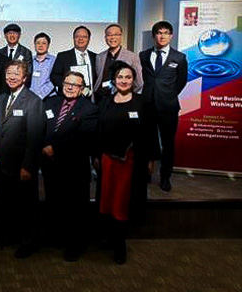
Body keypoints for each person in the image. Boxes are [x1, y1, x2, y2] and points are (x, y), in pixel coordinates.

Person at [95, 61, 153, 264]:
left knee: (122, 203)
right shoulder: (105, 101)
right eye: (120, 77)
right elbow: (98, 131)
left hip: (129, 163)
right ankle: (109, 237)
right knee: (106, 200)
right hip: (107, 161)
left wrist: (150, 160)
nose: (124, 80)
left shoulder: (143, 102)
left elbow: (149, 133)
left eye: (128, 77)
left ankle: (120, 245)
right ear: (114, 79)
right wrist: (96, 155)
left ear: (134, 80)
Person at [41, 71, 98, 261]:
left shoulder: (89, 109)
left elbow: (83, 137)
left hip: (74, 168)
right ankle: (57, 238)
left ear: (82, 89)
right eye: (67, 83)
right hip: (50, 166)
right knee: (54, 203)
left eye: (75, 85)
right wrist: (44, 146)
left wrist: (55, 148)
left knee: (76, 209)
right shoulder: (50, 103)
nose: (70, 87)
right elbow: (40, 127)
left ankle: (75, 245)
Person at [0, 60, 45, 259]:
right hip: (3, 163)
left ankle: (28, 242)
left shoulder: (33, 101)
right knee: (8, 203)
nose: (12, 77)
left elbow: (35, 137)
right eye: (9, 73)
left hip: (22, 165)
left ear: (24, 77)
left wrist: (28, 166)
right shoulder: (1, 99)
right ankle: (10, 235)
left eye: (16, 73)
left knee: (27, 206)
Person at [139, 20, 187, 192]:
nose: (162, 36)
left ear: (171, 36)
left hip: (168, 107)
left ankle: (165, 177)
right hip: (147, 106)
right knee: (146, 142)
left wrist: (167, 95)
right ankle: (146, 173)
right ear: (154, 36)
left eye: (166, 33)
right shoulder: (143, 55)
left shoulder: (179, 57)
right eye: (159, 32)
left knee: (168, 144)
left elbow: (181, 81)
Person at [94, 24, 143, 101]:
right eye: (109, 35)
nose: (112, 37)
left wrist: (126, 96)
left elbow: (139, 83)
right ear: (105, 37)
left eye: (116, 34)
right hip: (100, 98)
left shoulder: (132, 57)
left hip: (120, 99)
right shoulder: (99, 57)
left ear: (121, 36)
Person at [51, 25, 97, 97]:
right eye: (77, 36)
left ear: (89, 39)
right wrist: (69, 86)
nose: (81, 39)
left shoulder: (96, 57)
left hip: (91, 98)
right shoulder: (63, 56)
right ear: (73, 38)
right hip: (68, 96)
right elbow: (54, 76)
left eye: (84, 37)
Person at [29, 32, 56, 100]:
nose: (40, 46)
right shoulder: (29, 60)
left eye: (44, 43)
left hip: (48, 98)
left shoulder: (54, 60)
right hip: (30, 98)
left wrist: (40, 95)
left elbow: (54, 81)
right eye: (38, 43)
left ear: (48, 45)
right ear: (34, 45)